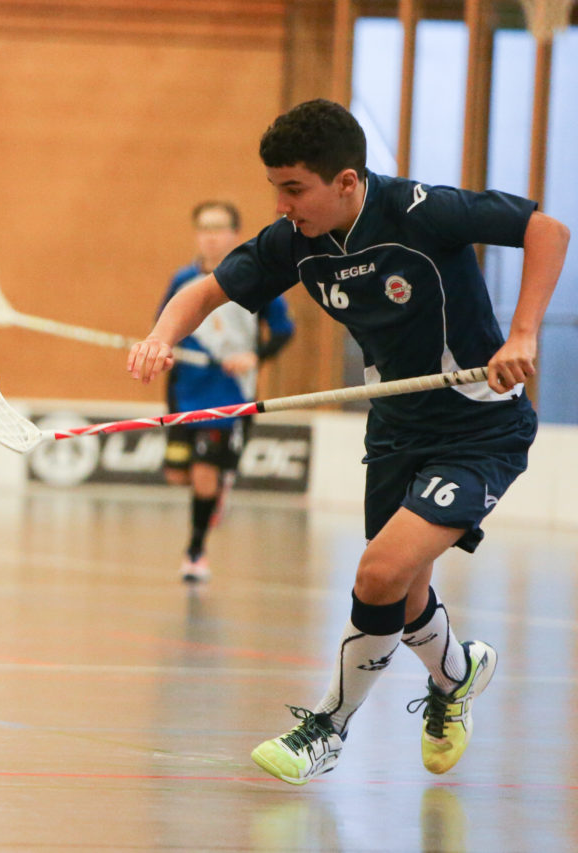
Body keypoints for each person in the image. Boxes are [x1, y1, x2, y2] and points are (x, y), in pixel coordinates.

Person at [127, 99, 568, 784]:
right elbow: (206, 293)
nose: (282, 204)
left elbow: (546, 228)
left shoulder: (422, 211)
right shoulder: (292, 241)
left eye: (294, 188)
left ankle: (327, 728)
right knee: (404, 594)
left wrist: (524, 333)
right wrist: (161, 336)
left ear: (347, 182)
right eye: (275, 187)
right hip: (395, 429)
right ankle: (457, 675)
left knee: (378, 573)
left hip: (478, 427)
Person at [158, 201, 294, 583]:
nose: (211, 236)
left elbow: (283, 330)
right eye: (204, 227)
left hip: (229, 395)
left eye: (219, 227)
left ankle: (195, 553)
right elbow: (164, 326)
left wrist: (255, 356)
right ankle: (218, 489)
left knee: (204, 473)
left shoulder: (254, 279)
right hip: (185, 390)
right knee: (178, 475)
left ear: (235, 233)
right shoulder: (182, 280)